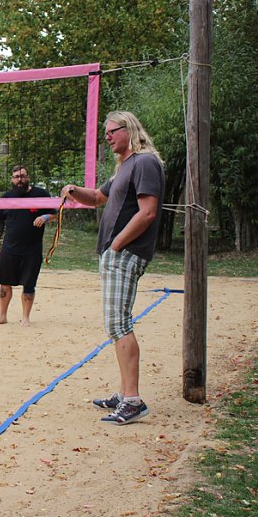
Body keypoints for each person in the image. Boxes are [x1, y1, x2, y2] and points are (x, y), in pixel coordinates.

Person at [61, 110, 164, 425]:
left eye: (111, 131)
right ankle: (124, 393)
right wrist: (73, 191)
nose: (107, 136)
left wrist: (117, 244)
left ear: (128, 129)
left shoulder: (145, 162)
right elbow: (96, 197)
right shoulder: (124, 167)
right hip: (116, 253)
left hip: (126, 253)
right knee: (115, 324)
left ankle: (132, 400)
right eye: (104, 131)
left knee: (119, 324)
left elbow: (147, 213)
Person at [0, 165, 57, 326]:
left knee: (29, 284)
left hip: (32, 249)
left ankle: (25, 317)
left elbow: (56, 214)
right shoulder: (6, 198)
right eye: (16, 177)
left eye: (22, 176)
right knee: (4, 283)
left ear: (28, 177)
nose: (19, 180)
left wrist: (46, 217)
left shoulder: (40, 194)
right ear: (11, 179)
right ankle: (2, 316)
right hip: (9, 248)